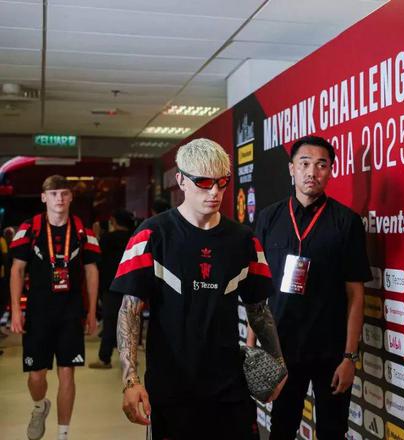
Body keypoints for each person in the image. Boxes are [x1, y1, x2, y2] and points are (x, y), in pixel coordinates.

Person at [111, 138, 287, 440]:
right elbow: (130, 310)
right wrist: (131, 380)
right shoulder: (151, 235)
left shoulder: (244, 240)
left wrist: (278, 363)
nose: (214, 192)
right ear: (181, 180)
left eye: (222, 182)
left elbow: (258, 310)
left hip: (229, 388)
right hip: (171, 389)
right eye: (203, 182)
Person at [251, 135, 371, 440]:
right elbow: (257, 289)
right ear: (291, 168)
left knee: (333, 431)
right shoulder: (268, 218)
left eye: (321, 165)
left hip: (330, 350)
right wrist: (252, 349)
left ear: (331, 171)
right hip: (282, 348)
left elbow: (356, 295)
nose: (312, 172)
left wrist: (349, 357)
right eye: (304, 163)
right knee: (281, 429)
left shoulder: (346, 222)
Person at [9, 175, 100, 440]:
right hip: (38, 313)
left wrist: (92, 312)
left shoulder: (82, 231)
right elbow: (17, 270)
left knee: (67, 373)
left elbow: (92, 271)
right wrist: (16, 311)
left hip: (71, 312)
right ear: (43, 197)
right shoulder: (30, 228)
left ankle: (63, 434)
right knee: (36, 376)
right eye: (53, 194)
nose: (59, 198)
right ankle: (40, 406)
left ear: (71, 197)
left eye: (64, 193)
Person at [89, 209, 135, 369]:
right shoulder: (135, 237)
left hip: (111, 286)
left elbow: (97, 261)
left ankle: (105, 358)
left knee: (110, 323)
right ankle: (130, 360)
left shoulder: (107, 238)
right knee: (130, 323)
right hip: (132, 285)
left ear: (114, 222)